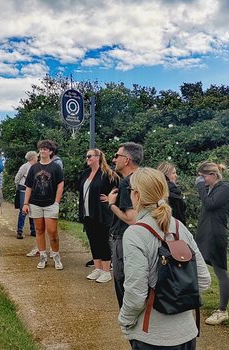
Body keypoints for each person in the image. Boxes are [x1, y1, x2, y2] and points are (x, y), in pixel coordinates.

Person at [119, 167, 211, 349]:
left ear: (136, 195)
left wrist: (125, 320)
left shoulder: (135, 233)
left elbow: (136, 294)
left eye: (130, 191)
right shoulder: (179, 227)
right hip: (187, 333)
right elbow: (203, 280)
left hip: (153, 336)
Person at [195, 161, 229, 326]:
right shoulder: (212, 188)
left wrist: (201, 188)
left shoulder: (224, 188)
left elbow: (210, 205)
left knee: (221, 271)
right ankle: (194, 299)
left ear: (213, 175)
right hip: (205, 233)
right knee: (194, 265)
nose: (201, 180)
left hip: (216, 235)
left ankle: (222, 310)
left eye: (203, 176)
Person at [104, 142, 143, 306]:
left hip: (123, 238)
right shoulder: (146, 178)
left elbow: (131, 218)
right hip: (143, 238)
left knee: (123, 283)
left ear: (126, 160)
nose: (114, 160)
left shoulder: (126, 183)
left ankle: (128, 324)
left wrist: (112, 204)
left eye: (117, 156)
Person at [22, 139, 65, 270]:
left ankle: (56, 255)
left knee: (52, 232)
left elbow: (60, 185)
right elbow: (28, 186)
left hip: (51, 203)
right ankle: (42, 256)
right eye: (41, 149)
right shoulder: (34, 168)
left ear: (50, 151)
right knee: (39, 230)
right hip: (35, 203)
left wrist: (57, 202)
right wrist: (25, 203)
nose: (42, 151)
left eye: (45, 149)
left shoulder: (56, 167)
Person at [79, 148, 119, 283]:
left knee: (103, 241)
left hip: (102, 213)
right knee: (93, 241)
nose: (87, 158)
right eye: (86, 156)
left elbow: (119, 189)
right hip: (88, 213)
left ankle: (106, 271)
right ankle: (97, 268)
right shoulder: (85, 174)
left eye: (90, 156)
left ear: (98, 157)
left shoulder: (107, 174)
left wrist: (110, 199)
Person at [15, 151, 38, 239]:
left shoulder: (36, 167)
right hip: (23, 190)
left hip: (33, 190)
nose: (37, 157)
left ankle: (33, 230)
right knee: (23, 211)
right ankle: (19, 231)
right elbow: (17, 177)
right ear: (32, 157)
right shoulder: (25, 166)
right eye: (36, 156)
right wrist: (18, 187)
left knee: (32, 210)